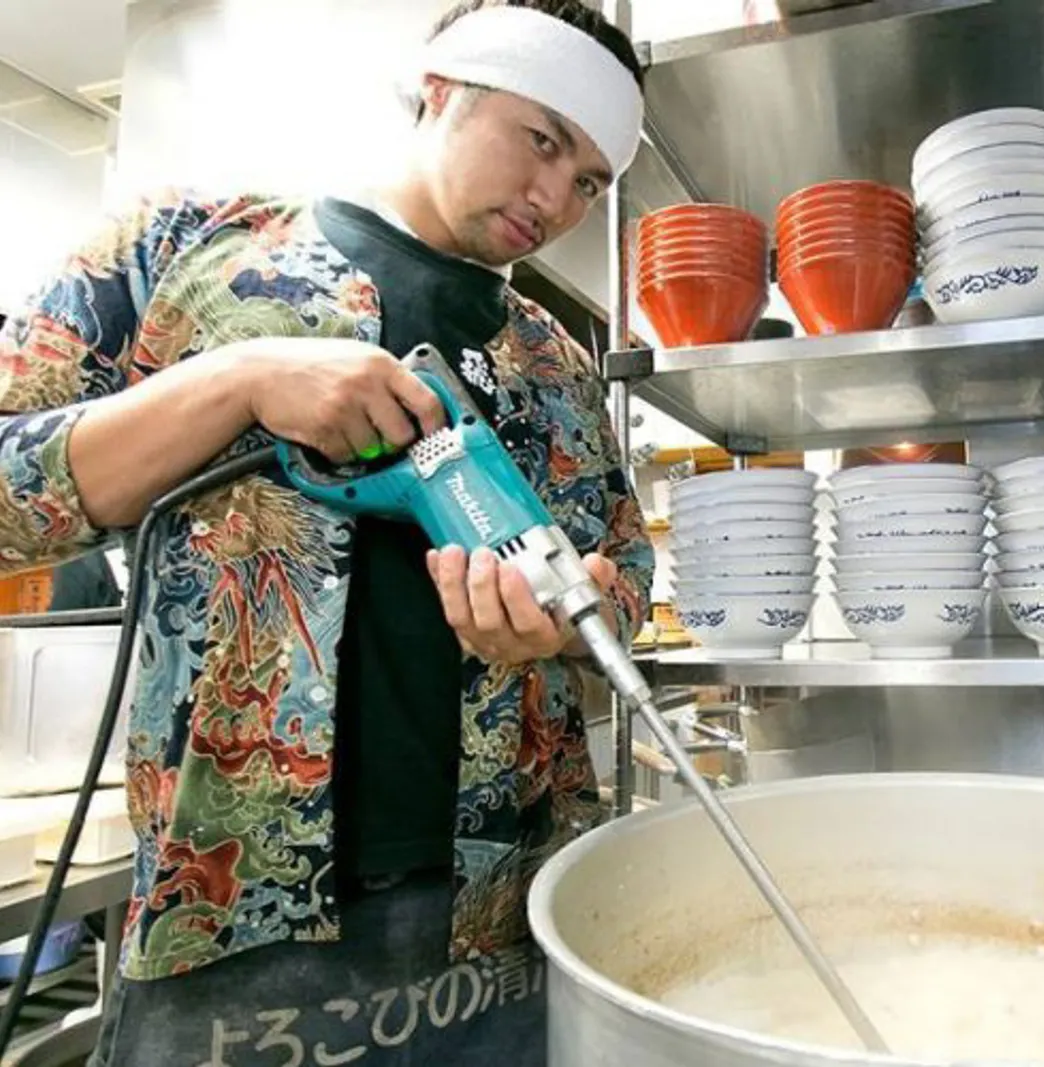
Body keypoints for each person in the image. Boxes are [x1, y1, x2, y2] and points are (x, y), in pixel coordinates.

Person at [0, 1, 654, 1062]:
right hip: (228, 917)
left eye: (589, 179)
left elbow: (624, 564)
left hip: (498, 916)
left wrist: (573, 622)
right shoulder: (186, 249)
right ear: (442, 90)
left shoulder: (555, 365)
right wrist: (235, 381)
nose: (555, 196)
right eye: (541, 139)